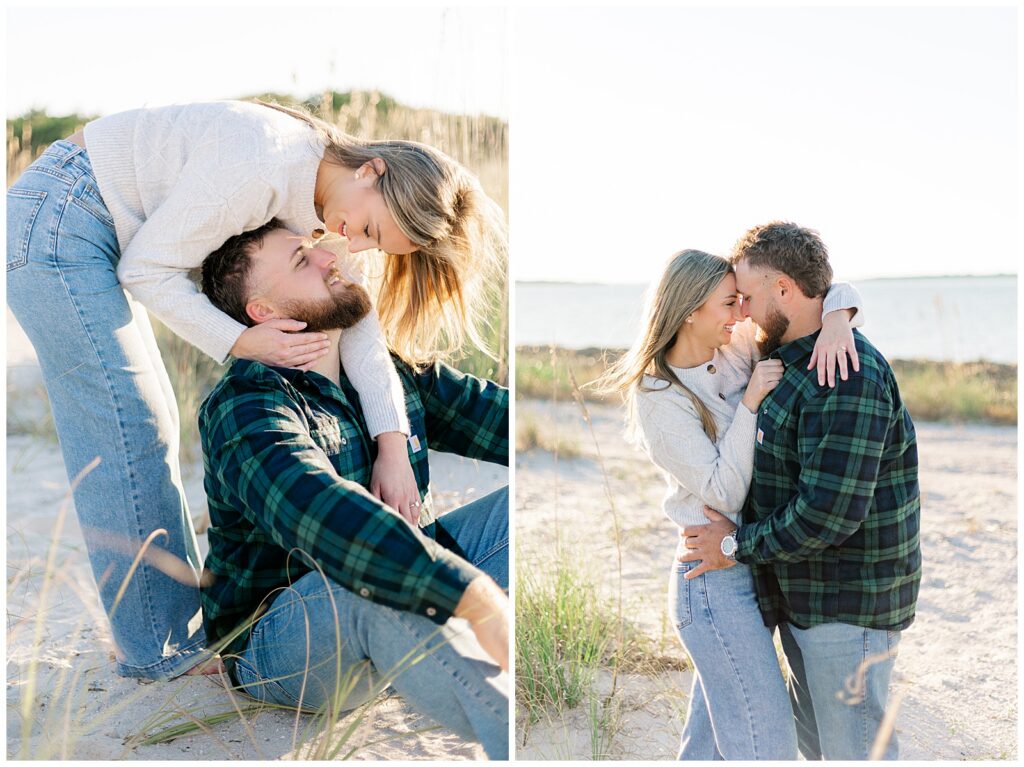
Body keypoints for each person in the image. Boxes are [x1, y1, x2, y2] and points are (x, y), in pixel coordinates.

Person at [5, 99, 504, 681]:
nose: (358, 245)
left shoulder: (326, 202)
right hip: (62, 216)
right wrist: (243, 343)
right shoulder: (265, 165)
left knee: (149, 416)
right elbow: (146, 271)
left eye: (375, 245)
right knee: (127, 423)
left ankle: (175, 637)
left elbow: (362, 338)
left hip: (106, 219)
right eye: (369, 230)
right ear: (372, 170)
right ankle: (159, 655)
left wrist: (393, 444)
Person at [196, 221, 509, 758]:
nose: (329, 259)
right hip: (283, 645)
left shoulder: (392, 376)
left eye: (315, 248)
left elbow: (503, 421)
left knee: (516, 513)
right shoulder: (246, 405)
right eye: (301, 261)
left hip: (399, 619)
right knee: (373, 574)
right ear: (264, 313)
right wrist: (467, 591)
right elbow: (323, 514)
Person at [596, 247, 865, 760]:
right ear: (691, 309)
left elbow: (820, 291)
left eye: (742, 300)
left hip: (750, 562)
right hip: (711, 583)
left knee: (710, 748)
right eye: (729, 303)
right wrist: (749, 404)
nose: (742, 313)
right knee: (767, 746)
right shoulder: (658, 396)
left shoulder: (734, 347)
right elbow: (723, 492)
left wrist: (837, 320)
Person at [680, 221, 921, 760]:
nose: (740, 309)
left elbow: (827, 516)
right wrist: (839, 308)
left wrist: (732, 546)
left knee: (854, 753)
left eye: (746, 295)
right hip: (802, 593)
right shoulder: (784, 355)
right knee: (820, 747)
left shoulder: (845, 372)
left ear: (784, 290)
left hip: (848, 605)